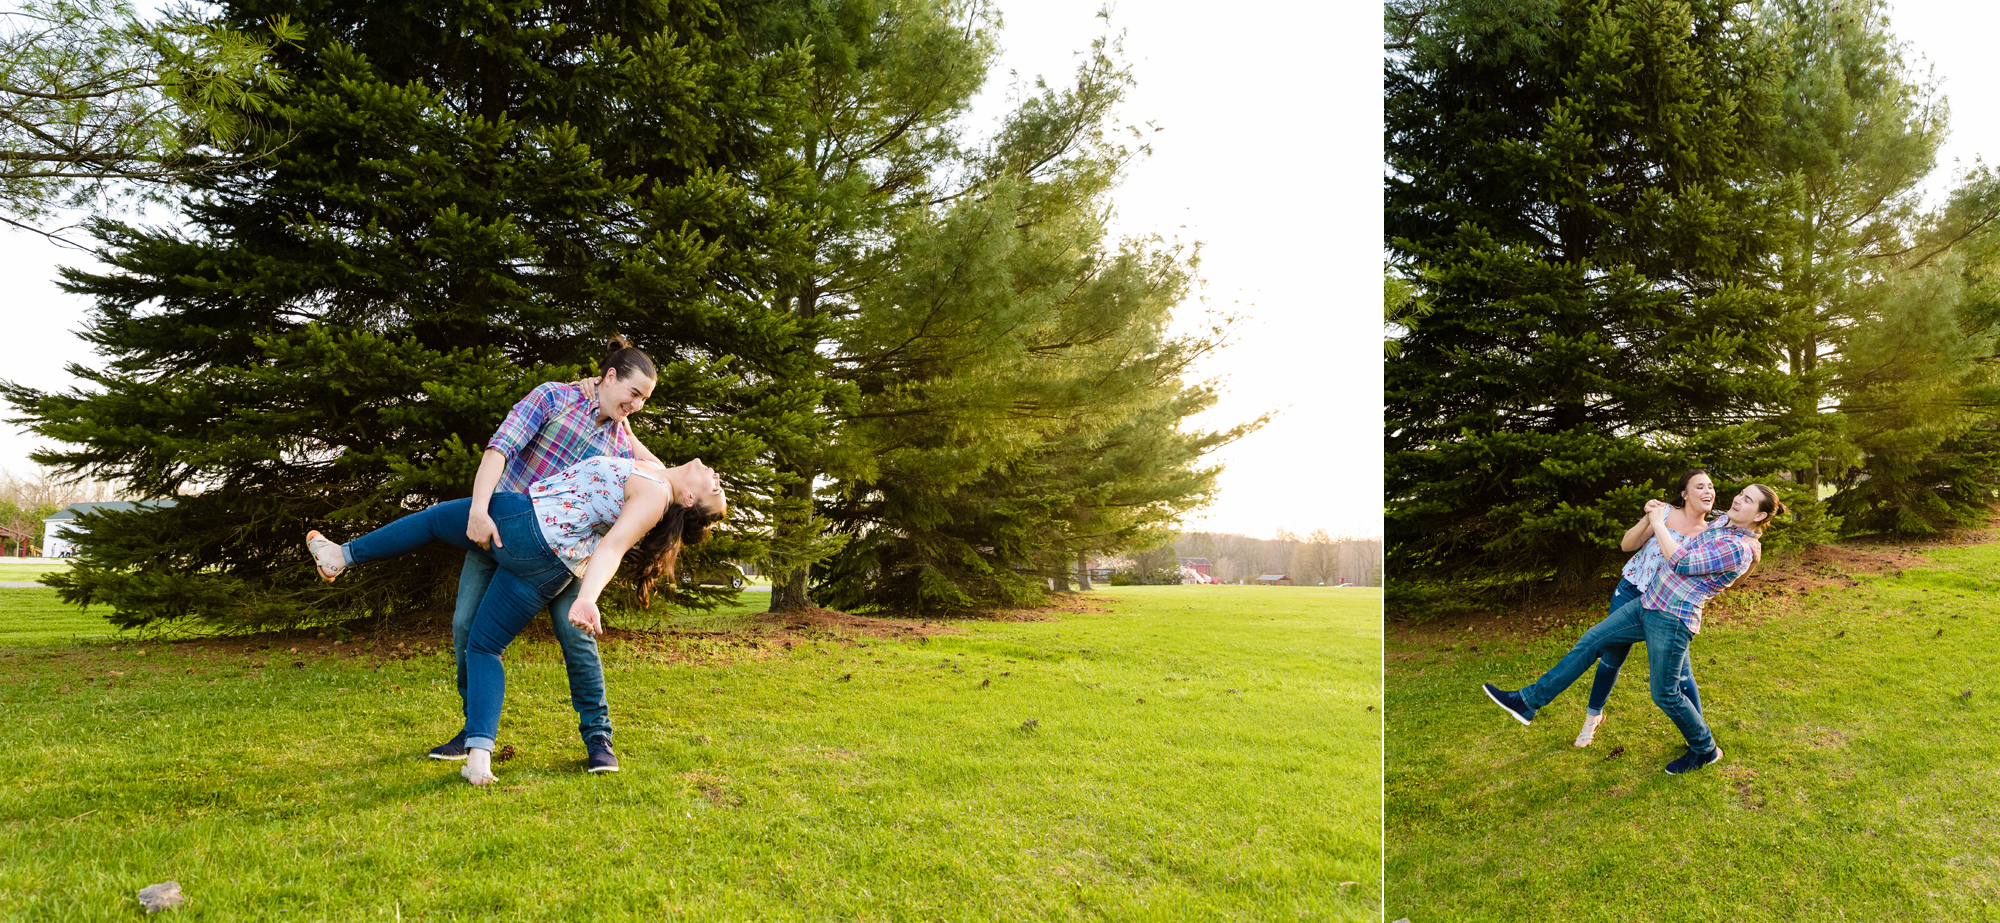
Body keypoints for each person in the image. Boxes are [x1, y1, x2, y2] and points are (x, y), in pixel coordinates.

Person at [306, 454, 725, 785]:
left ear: (688, 501)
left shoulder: (656, 497)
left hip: (524, 523)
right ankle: (478, 759)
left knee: (435, 521)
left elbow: (613, 546)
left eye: (716, 487)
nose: (714, 474)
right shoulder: (657, 474)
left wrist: (588, 600)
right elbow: (635, 444)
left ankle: (339, 555)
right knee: (485, 646)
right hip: (548, 569)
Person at [436, 336, 667, 772]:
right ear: (610, 376)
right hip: (500, 532)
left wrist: (632, 433)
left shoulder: (620, 443)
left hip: (566, 559)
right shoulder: (553, 397)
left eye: (644, 400)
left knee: (577, 637)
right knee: (466, 626)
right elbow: (499, 448)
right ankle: (473, 729)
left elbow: (662, 476)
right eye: (634, 394)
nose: (637, 405)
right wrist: (480, 512)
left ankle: (598, 738)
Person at [1482, 483, 1784, 775]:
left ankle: (1705, 749)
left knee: (1665, 694)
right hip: (1648, 602)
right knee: (1591, 641)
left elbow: (1681, 561)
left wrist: (1657, 521)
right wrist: (1660, 514)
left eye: (1747, 500)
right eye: (1741, 494)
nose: (1738, 499)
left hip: (1672, 618)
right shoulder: (1724, 524)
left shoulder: (1738, 547)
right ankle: (1527, 702)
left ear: (1759, 515)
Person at [1572, 469, 1715, 748]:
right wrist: (1648, 517)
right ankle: (1593, 717)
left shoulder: (1710, 534)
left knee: (1681, 673)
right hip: (1630, 593)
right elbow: (1627, 545)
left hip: (1669, 609)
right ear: (1684, 494)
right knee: (1611, 658)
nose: (1708, 491)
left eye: (1711, 486)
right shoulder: (1663, 513)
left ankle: (1696, 736)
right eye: (1700, 486)